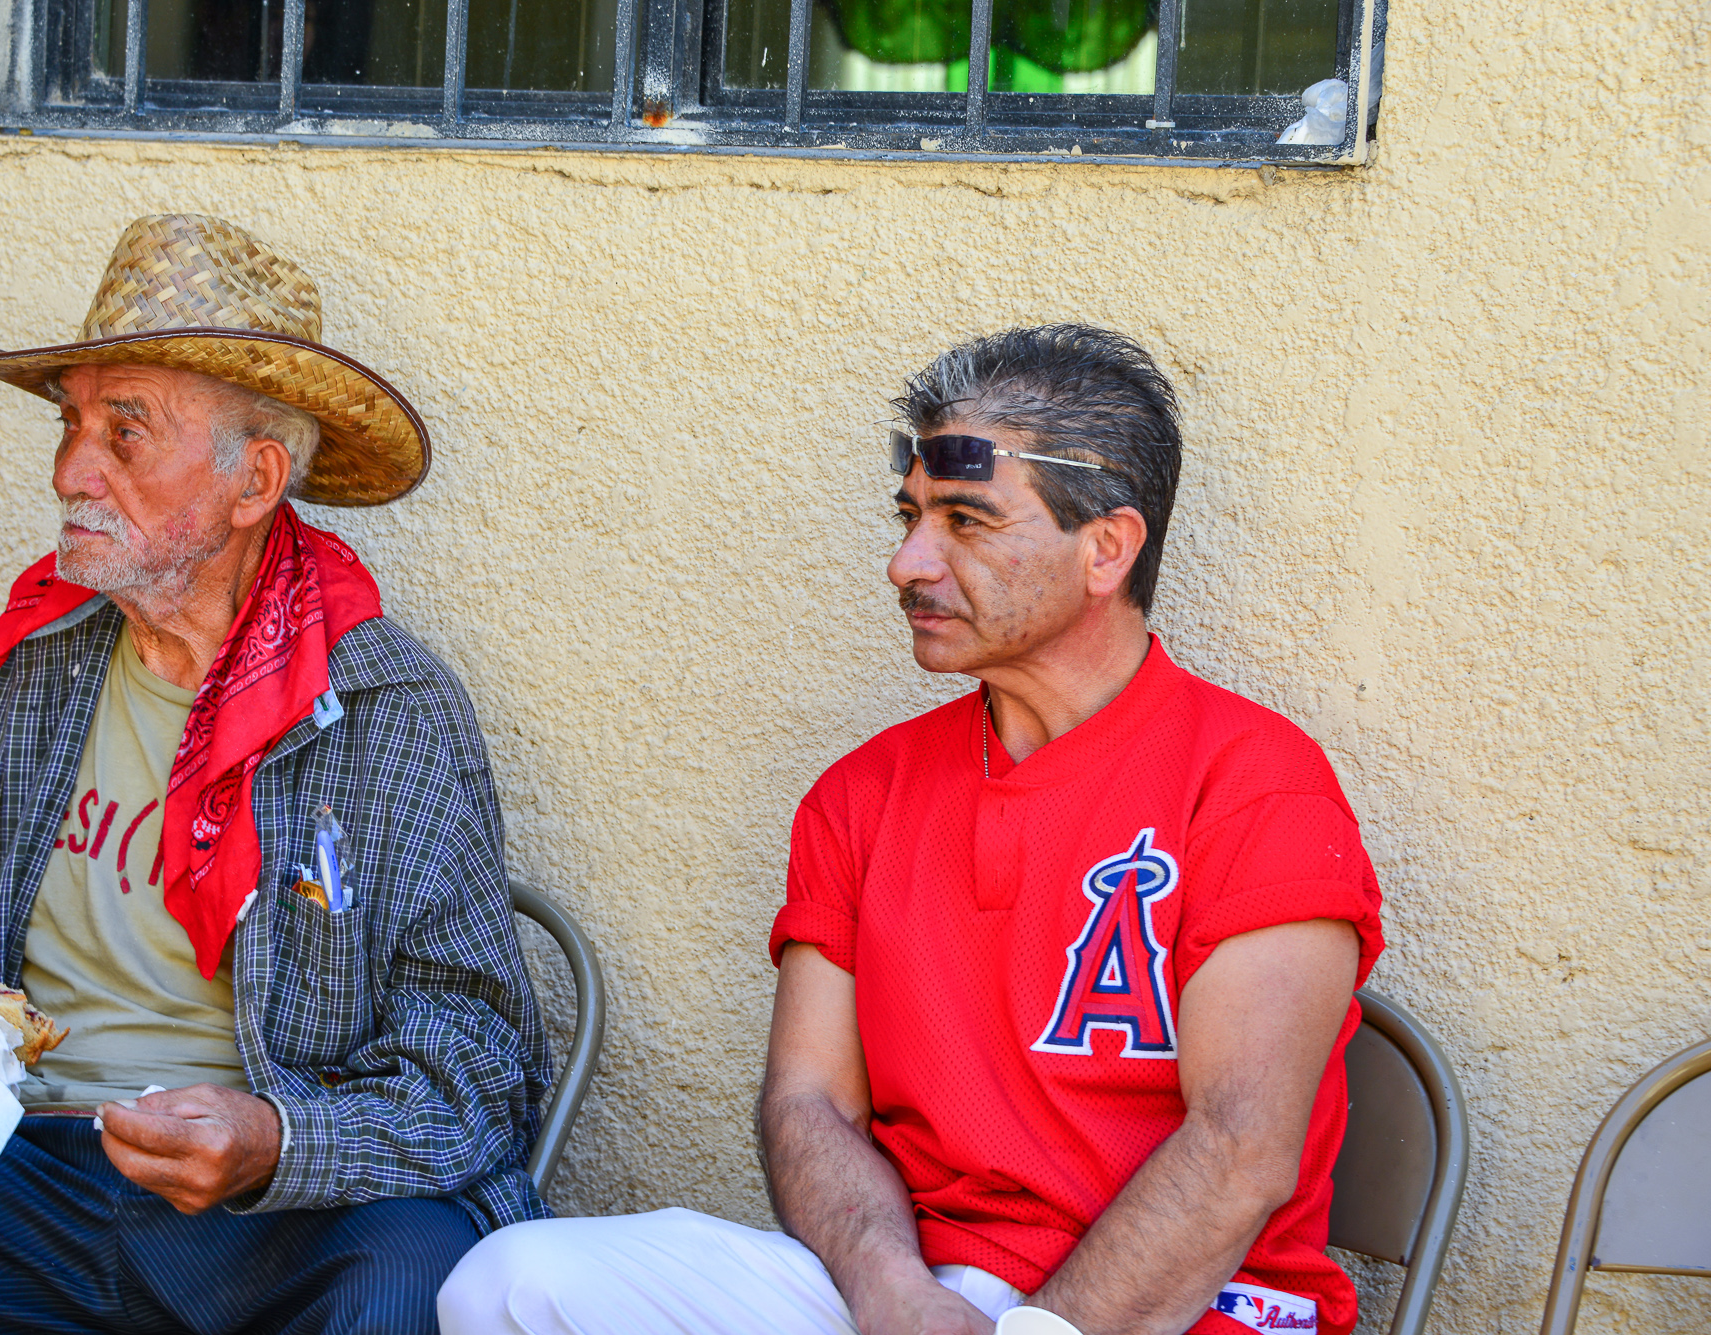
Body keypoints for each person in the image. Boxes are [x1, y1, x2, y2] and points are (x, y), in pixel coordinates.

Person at [439, 326, 1386, 1335]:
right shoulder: (862, 793)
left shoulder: (1250, 783)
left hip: (1184, 1306)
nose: (906, 563)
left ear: (1104, 547)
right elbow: (810, 1105)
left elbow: (1238, 1148)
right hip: (918, 1290)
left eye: (965, 521)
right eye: (910, 517)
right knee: (512, 1281)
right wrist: (890, 1292)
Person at [0, 214, 550, 1335]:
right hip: (18, 1181)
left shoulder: (387, 709)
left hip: (273, 1214)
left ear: (252, 481)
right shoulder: (5, 679)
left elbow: (481, 1063)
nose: (70, 471)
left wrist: (273, 1141)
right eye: (72, 426)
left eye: (126, 431)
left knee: (412, 1284)